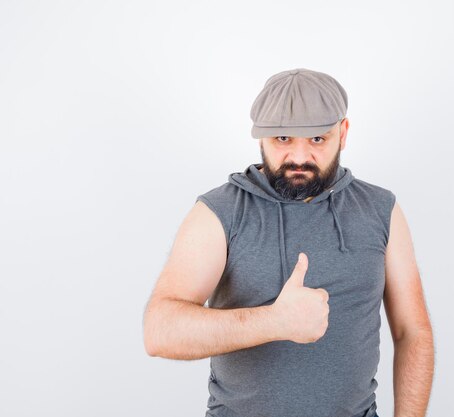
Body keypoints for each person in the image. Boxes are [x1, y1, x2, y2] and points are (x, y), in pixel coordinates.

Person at [143, 68, 434, 417]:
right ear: (260, 138)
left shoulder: (381, 209)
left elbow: (412, 331)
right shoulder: (219, 212)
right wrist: (273, 323)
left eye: (317, 140)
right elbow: (160, 331)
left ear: (342, 133)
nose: (299, 157)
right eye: (283, 139)